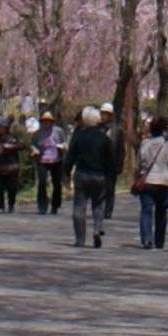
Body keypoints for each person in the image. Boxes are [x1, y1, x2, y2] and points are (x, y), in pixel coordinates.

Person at [67, 104, 119, 247]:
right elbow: (110, 161)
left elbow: (70, 156)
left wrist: (66, 173)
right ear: (97, 121)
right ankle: (97, 228)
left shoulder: (78, 137)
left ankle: (80, 239)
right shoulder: (104, 139)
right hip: (99, 175)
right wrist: (111, 176)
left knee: (79, 207)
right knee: (98, 204)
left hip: (82, 174)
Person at [134, 114, 168, 250]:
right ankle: (159, 241)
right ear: (164, 129)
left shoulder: (145, 143)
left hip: (147, 180)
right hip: (163, 181)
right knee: (161, 211)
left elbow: (139, 163)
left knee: (146, 210)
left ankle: (147, 238)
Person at [0, 117, 26, 212]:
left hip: (12, 167)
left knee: (12, 188)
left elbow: (22, 145)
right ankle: (0, 206)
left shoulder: (13, 137)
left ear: (6, 127)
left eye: (0, 126)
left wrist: (11, 147)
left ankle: (11, 204)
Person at [34, 112, 68, 215]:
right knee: (42, 183)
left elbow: (65, 143)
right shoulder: (37, 133)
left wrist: (62, 147)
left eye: (48, 121)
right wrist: (34, 150)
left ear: (52, 122)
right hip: (42, 160)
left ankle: (55, 205)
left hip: (56, 160)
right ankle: (42, 205)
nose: (46, 123)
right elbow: (32, 144)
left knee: (57, 183)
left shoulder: (59, 131)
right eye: (44, 121)